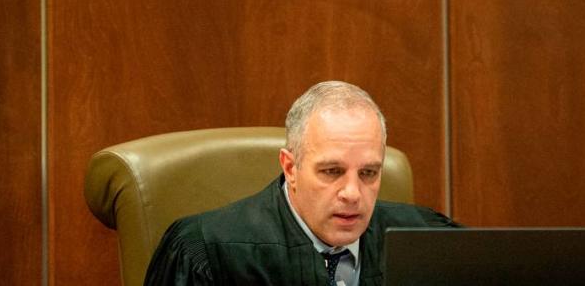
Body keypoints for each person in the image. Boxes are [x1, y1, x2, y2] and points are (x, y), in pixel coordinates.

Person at [144, 81, 458, 285]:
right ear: (291, 167)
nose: (352, 194)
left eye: (368, 173)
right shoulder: (207, 253)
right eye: (332, 172)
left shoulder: (429, 243)